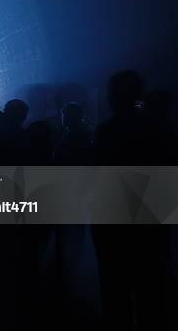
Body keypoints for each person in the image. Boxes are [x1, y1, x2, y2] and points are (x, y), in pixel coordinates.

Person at [92, 70, 168, 330]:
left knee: (116, 296)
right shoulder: (159, 131)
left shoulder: (106, 132)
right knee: (151, 295)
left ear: (112, 96)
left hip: (114, 228)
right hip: (151, 225)